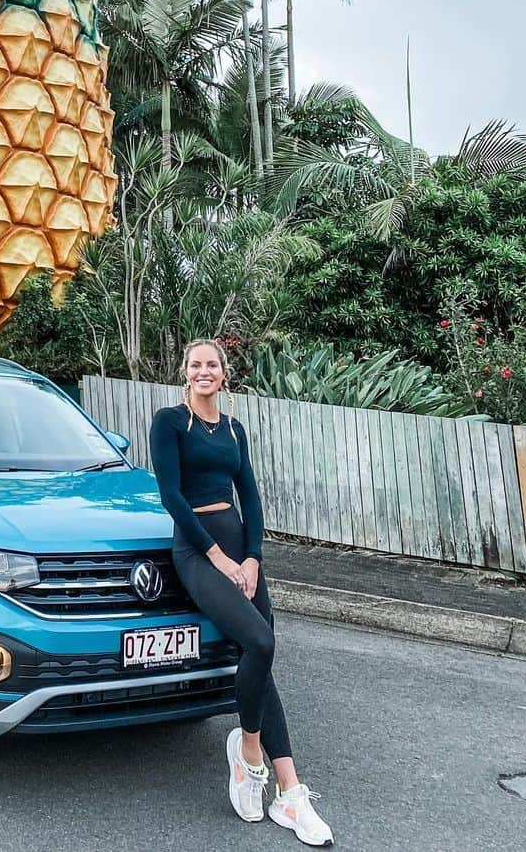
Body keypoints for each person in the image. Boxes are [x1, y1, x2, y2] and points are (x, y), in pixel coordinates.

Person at [149, 339, 334, 847]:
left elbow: (249, 494)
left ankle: (290, 792)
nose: (203, 371)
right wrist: (221, 559)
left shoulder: (233, 429)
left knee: (263, 657)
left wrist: (252, 558)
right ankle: (248, 754)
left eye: (212, 365)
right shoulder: (169, 422)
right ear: (185, 373)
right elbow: (171, 497)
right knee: (260, 643)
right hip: (198, 552)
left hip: (240, 552)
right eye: (195, 365)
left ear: (224, 375)